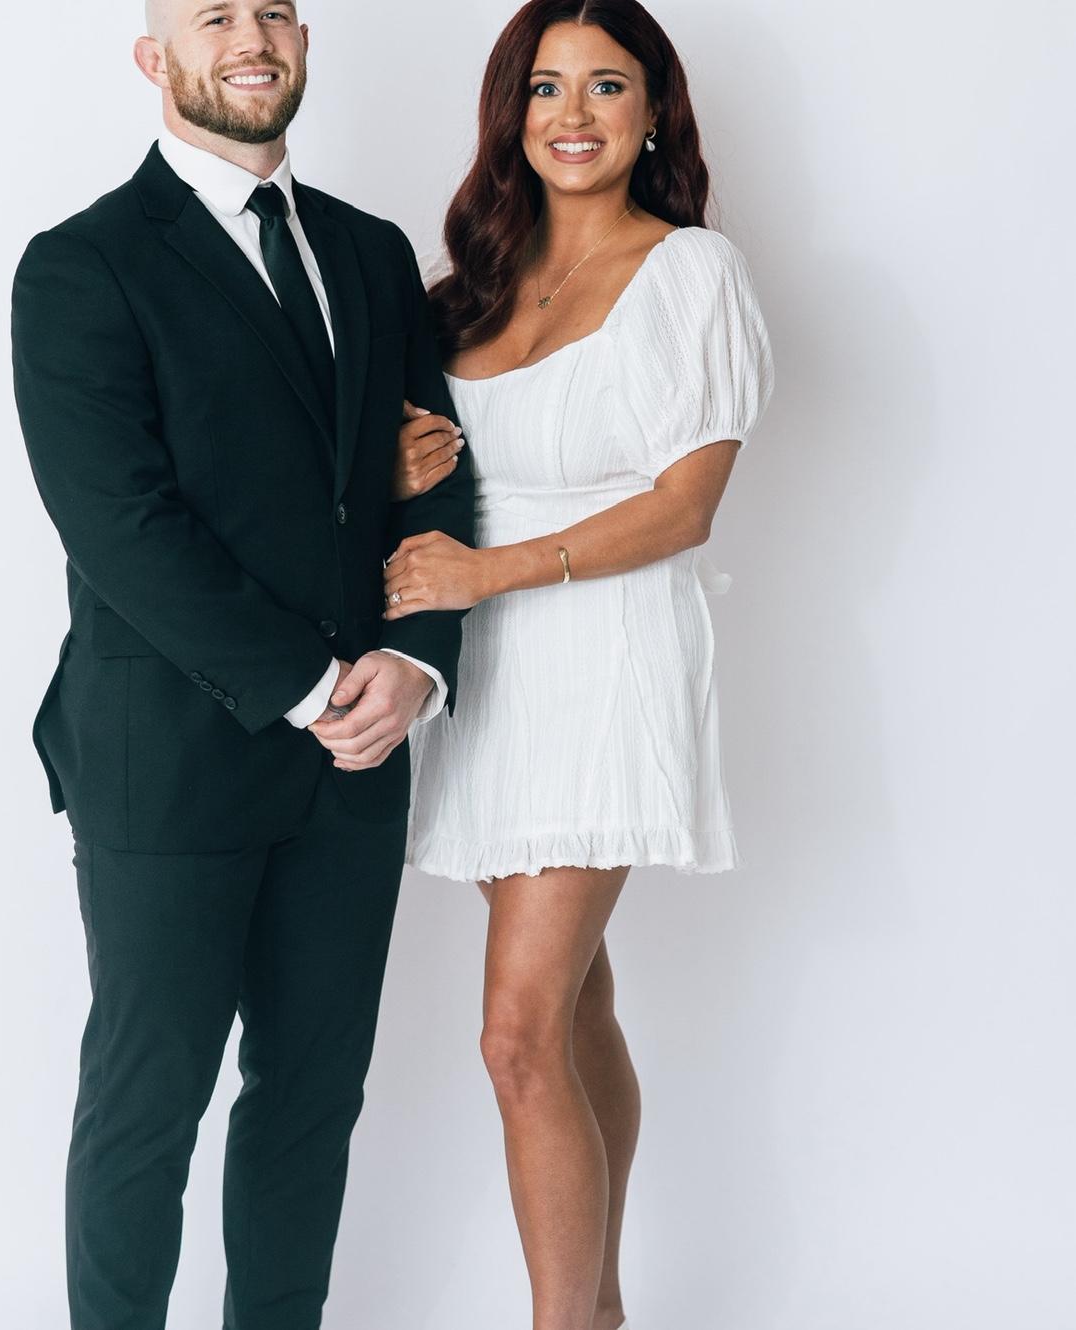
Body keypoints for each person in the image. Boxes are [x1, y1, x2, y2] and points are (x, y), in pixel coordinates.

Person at [9, 2, 475, 1326]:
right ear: (156, 58)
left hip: (356, 758)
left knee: (311, 1098)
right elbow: (119, 526)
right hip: (166, 756)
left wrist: (414, 659)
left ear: (303, 41)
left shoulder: (370, 252)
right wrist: (312, 685)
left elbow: (438, 471)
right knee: (146, 1103)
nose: (250, 34)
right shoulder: (82, 265)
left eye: (272, 9)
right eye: (212, 14)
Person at [384, 2, 774, 1328]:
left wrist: (485, 571)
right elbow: (442, 485)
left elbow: (683, 507)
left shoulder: (689, 272)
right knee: (572, 1003)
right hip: (488, 678)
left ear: (653, 111)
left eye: (606, 86)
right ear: (513, 113)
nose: (573, 114)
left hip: (604, 659)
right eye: (546, 87)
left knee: (515, 1031)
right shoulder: (469, 290)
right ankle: (599, 1310)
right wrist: (405, 476)